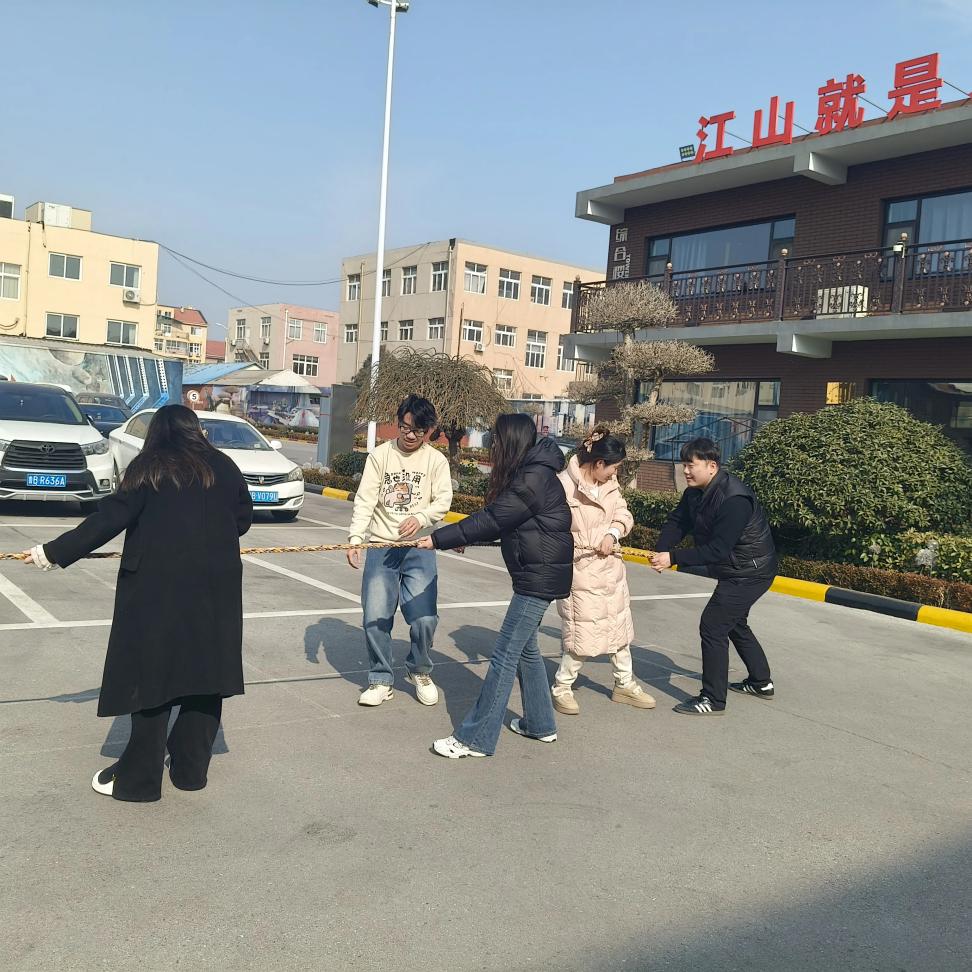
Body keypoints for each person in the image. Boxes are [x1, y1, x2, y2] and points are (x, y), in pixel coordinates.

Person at [22, 405, 253, 801]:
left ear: (157, 433)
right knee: (204, 676)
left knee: (151, 680)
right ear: (195, 430)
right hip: (215, 590)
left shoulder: (150, 467)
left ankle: (140, 781)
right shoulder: (225, 466)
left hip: (155, 591)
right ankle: (190, 771)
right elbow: (242, 520)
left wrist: (53, 552)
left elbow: (107, 520)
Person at [417, 413, 573, 758]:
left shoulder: (533, 477)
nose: (494, 445)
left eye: (498, 439)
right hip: (538, 573)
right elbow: (511, 524)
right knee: (526, 651)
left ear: (512, 441)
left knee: (504, 655)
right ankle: (540, 724)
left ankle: (475, 739)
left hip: (538, 578)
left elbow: (493, 518)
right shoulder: (533, 472)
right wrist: (464, 540)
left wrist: (439, 539)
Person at [649, 437, 777, 716]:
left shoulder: (735, 499)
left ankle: (712, 699)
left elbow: (718, 549)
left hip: (750, 572)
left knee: (713, 625)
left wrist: (674, 558)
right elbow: (678, 521)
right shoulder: (695, 492)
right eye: (683, 465)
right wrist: (662, 550)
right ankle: (761, 682)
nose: (685, 471)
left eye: (690, 465)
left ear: (712, 466)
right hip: (736, 569)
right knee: (733, 623)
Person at [346, 394, 452, 707]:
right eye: (404, 427)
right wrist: (355, 538)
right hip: (381, 547)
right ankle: (380, 678)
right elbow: (365, 499)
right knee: (376, 616)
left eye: (417, 431)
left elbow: (442, 502)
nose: (408, 435)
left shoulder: (436, 461)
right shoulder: (380, 456)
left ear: (429, 430)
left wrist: (421, 518)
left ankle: (419, 669)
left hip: (420, 548)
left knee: (423, 619)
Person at [552, 428, 655, 715]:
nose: (615, 474)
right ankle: (562, 686)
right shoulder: (562, 485)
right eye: (613, 468)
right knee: (582, 634)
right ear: (598, 463)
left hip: (611, 570)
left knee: (618, 631)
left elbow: (623, 514)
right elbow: (552, 527)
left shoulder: (611, 485)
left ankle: (624, 684)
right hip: (580, 570)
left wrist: (612, 533)